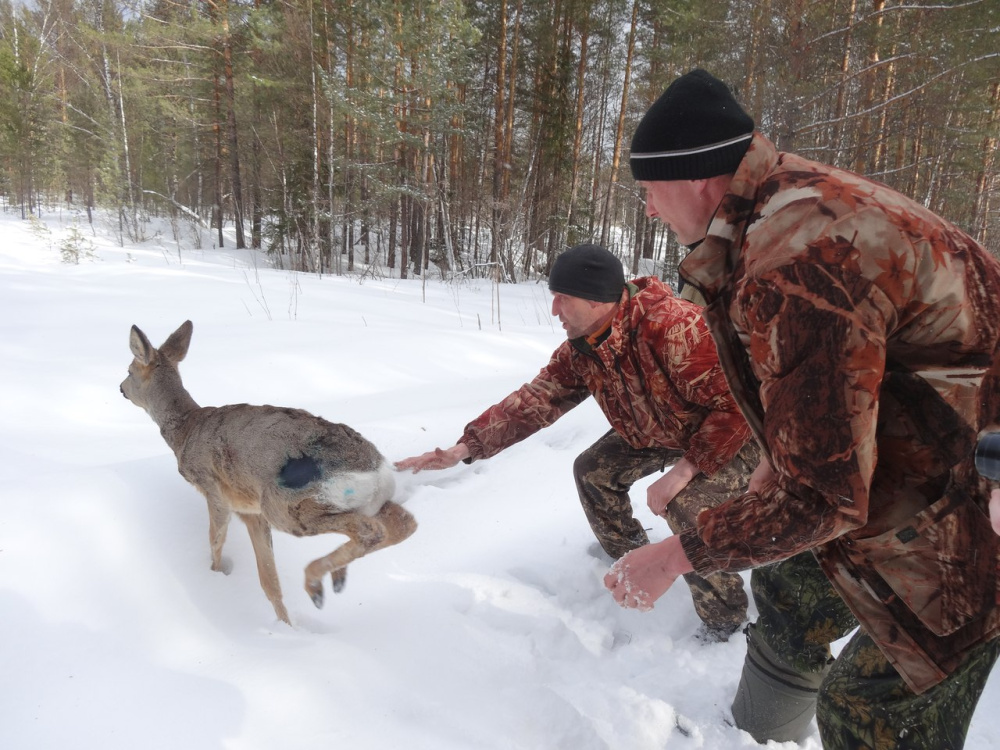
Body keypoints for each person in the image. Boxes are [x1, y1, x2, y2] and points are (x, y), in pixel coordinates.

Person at [605, 68, 1000, 749]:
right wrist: (779, 458)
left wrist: (674, 556)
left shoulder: (798, 258)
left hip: (975, 488)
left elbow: (823, 497)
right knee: (793, 582)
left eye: (648, 189)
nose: (647, 209)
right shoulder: (778, 208)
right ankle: (761, 737)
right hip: (921, 441)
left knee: (870, 710)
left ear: (695, 179)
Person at [396, 242, 760, 640]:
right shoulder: (584, 346)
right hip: (664, 429)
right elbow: (536, 399)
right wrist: (464, 448)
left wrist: (685, 470)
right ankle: (632, 560)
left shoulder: (676, 329)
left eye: (563, 298)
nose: (555, 310)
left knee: (686, 507)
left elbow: (739, 403)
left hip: (735, 434)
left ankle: (723, 618)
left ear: (596, 299)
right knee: (593, 471)